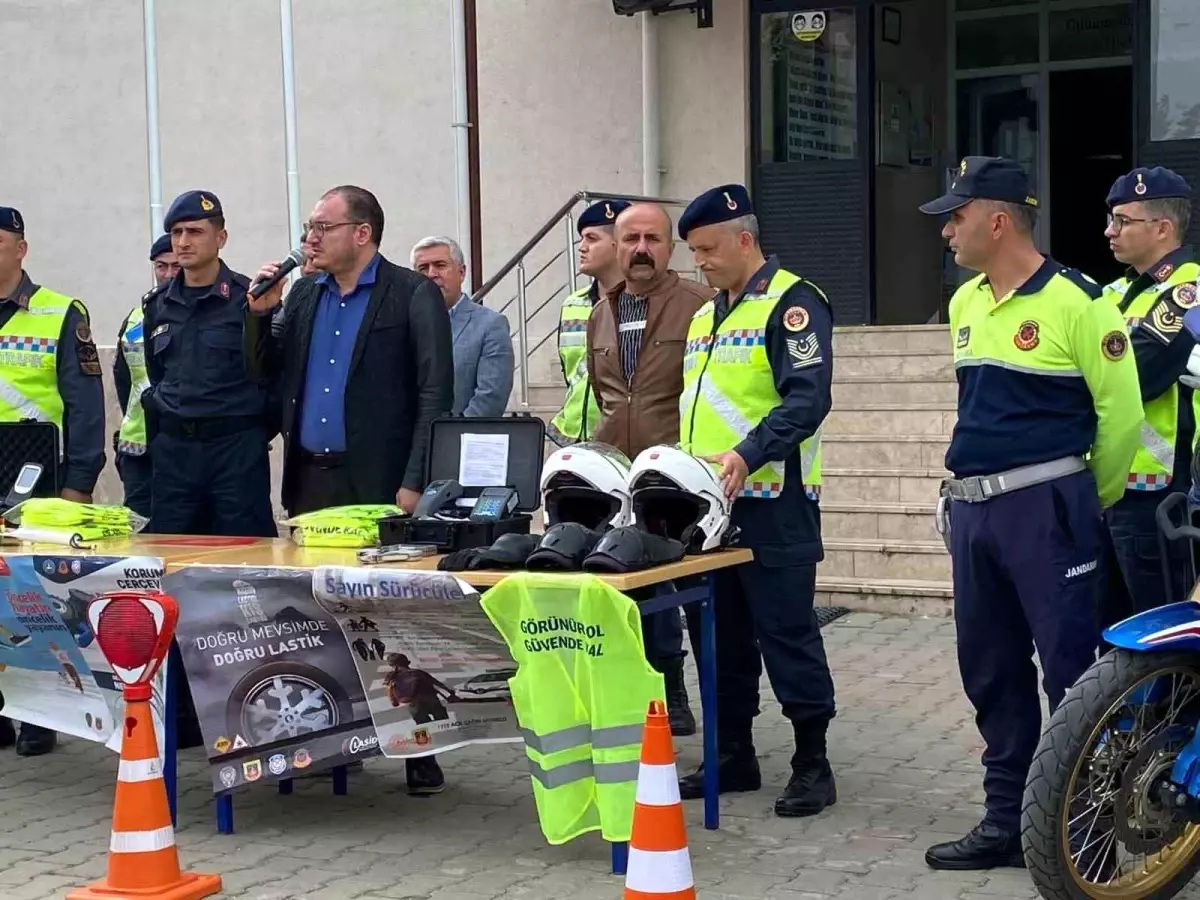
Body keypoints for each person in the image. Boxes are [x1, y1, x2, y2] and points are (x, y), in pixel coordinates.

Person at [917, 157, 1143, 869]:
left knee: (1073, 674)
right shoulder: (964, 304)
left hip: (1048, 508)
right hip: (976, 514)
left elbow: (1122, 416)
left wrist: (1082, 501)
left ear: (998, 218)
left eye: (956, 215)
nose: (947, 229)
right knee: (989, 668)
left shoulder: (1081, 302)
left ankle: (1091, 831)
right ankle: (1008, 822)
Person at [246, 184, 453, 795]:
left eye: (322, 227)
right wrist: (259, 314)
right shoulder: (305, 294)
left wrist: (414, 481)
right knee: (317, 616)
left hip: (380, 483)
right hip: (314, 476)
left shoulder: (411, 293)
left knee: (391, 621)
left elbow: (435, 394)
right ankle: (338, 742)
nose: (309, 238)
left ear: (361, 233)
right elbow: (268, 368)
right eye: (309, 227)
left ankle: (421, 750)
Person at [675, 184, 838, 819]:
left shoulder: (794, 304)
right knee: (719, 637)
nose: (700, 263)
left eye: (709, 249)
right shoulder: (704, 314)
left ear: (745, 239)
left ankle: (812, 764)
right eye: (693, 252)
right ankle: (731, 754)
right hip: (707, 510)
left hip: (773, 502)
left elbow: (806, 399)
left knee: (787, 636)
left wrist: (749, 452)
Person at [586, 202, 710, 737]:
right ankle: (632, 697)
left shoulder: (700, 306)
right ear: (616, 246)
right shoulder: (600, 313)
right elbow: (602, 394)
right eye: (630, 238)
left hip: (675, 480)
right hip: (615, 478)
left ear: (670, 247)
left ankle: (675, 690)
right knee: (622, 591)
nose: (641, 249)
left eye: (653, 239)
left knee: (666, 593)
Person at [0, 206, 105, 757]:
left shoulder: (60, 313)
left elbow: (86, 406)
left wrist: (80, 484)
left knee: (35, 605)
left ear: (21, 248)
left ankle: (42, 713)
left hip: (34, 478)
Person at [140, 192, 275, 537]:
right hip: (175, 454)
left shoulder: (250, 298)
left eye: (195, 232)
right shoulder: (158, 304)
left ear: (221, 237)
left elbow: (271, 372)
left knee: (245, 559)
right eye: (177, 233)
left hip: (235, 452)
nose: (183, 242)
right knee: (171, 555)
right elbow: (158, 374)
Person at [1101, 166, 1198, 615]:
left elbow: (1131, 375)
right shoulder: (1115, 292)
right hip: (1110, 485)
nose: (1109, 230)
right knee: (1112, 636)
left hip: (1159, 494)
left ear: (1162, 227)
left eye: (1122, 220)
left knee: (1159, 631)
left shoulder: (1189, 291)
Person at [548, 199, 628, 446]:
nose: (581, 247)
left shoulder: (642, 304)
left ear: (619, 244)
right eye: (581, 239)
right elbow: (571, 374)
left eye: (592, 239)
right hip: (568, 439)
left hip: (617, 443)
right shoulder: (573, 304)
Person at [411, 236, 513, 417]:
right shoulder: (403, 323)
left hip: (458, 439)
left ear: (462, 272)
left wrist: (451, 437)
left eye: (440, 265)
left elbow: (490, 398)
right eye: (423, 268)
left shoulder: (490, 325)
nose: (431, 274)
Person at [113, 233, 177, 518]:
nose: (168, 274)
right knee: (140, 531)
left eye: (175, 266)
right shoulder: (137, 315)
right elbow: (122, 376)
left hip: (182, 445)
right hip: (138, 447)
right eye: (161, 266)